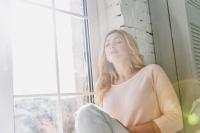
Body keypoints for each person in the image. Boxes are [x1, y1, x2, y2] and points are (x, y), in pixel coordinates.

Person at [75, 29, 183, 133]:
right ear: (106, 55)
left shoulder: (152, 72)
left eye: (118, 41)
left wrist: (130, 131)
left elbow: (176, 119)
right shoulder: (105, 88)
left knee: (86, 111)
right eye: (107, 44)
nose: (111, 46)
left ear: (130, 48)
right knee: (85, 113)